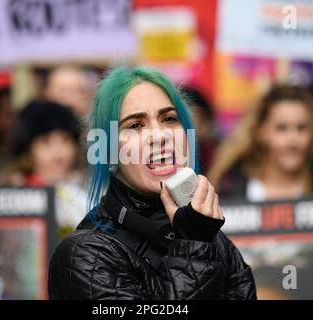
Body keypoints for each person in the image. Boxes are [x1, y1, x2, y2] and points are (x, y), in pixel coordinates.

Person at [48, 67, 256, 300]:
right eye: (135, 125)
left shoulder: (208, 234)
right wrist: (194, 245)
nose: (160, 136)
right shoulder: (84, 256)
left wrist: (197, 239)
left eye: (169, 119)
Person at [208, 85, 313, 202]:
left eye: (301, 128)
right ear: (260, 132)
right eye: (282, 128)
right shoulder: (231, 183)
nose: (293, 138)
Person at [6, 100, 87, 233]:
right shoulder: (14, 196)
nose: (58, 153)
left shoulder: (85, 193)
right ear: (28, 150)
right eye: (46, 142)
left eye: (65, 140)